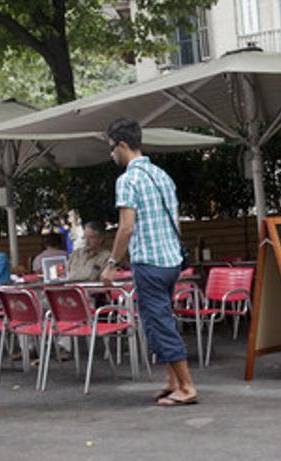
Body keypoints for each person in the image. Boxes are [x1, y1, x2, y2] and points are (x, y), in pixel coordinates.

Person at [100, 117, 198, 406]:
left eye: (111, 148)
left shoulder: (128, 179)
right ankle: (173, 381)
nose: (111, 155)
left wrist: (112, 263)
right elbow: (175, 223)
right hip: (171, 261)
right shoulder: (162, 175)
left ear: (122, 144)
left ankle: (188, 387)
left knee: (159, 323)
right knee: (160, 320)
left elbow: (126, 227)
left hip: (149, 263)